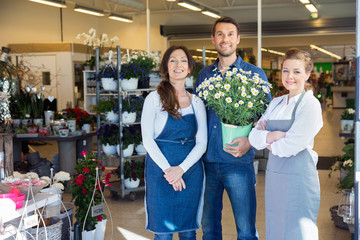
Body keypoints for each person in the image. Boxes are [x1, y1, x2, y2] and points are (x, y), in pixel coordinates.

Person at [194, 16, 270, 240]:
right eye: (220, 34)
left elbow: (265, 118)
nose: (224, 39)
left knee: (246, 231)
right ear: (213, 39)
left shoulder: (255, 74)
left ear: (237, 39)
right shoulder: (204, 75)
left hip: (238, 162)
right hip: (207, 162)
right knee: (209, 230)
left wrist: (250, 141)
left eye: (229, 34)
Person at [248, 48, 323, 240]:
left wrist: (268, 141)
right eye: (285, 70)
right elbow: (253, 137)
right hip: (275, 179)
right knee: (276, 227)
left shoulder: (310, 104)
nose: (290, 76)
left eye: (297, 72)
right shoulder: (276, 103)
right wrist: (272, 135)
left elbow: (292, 145)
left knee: (298, 231)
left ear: (307, 74)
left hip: (299, 179)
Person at [141, 45, 207, 240]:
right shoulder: (154, 99)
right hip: (160, 172)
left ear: (189, 69)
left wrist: (181, 170)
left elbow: (201, 142)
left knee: (188, 232)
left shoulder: (197, 103)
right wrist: (169, 171)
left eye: (183, 60)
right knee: (163, 234)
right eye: (173, 60)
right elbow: (148, 140)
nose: (178, 64)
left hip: (190, 172)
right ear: (166, 67)